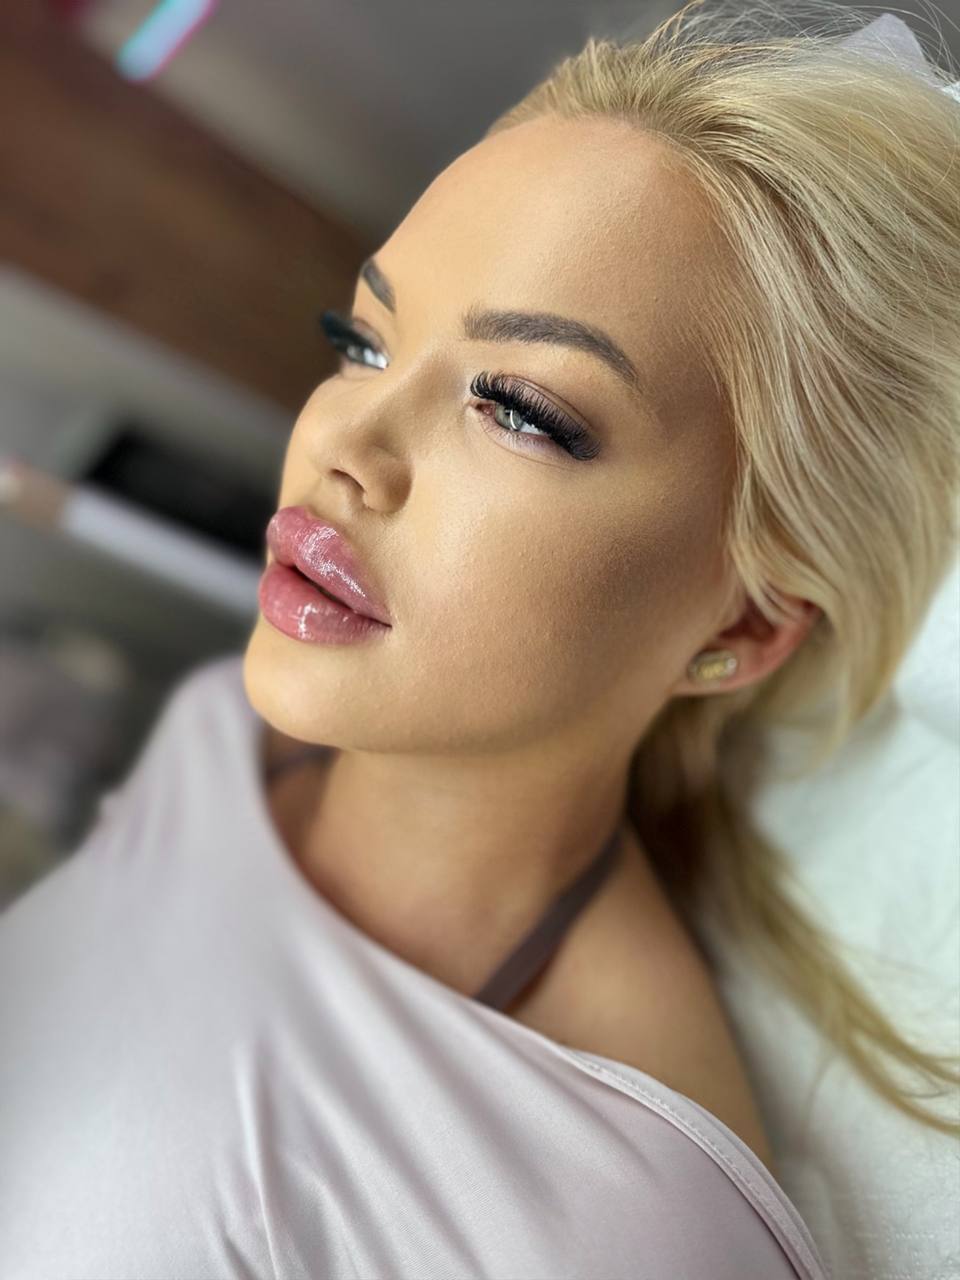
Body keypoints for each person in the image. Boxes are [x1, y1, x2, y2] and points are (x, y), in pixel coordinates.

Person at [1, 3, 957, 1277]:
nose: (342, 442)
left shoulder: (614, 1225)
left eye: (518, 409)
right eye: (363, 341)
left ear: (742, 621)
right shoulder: (227, 725)